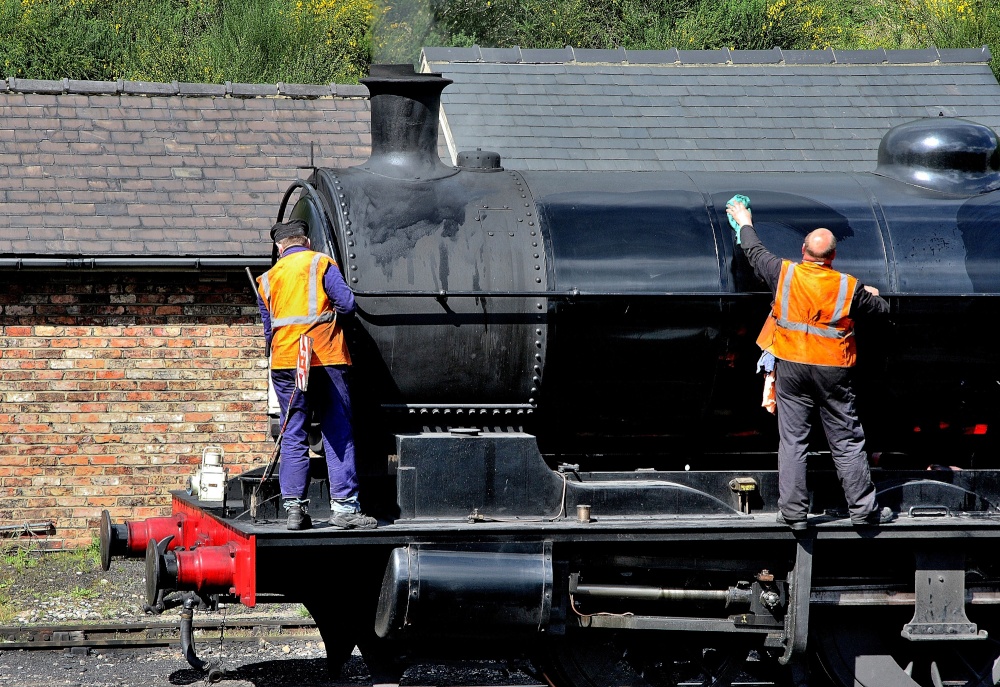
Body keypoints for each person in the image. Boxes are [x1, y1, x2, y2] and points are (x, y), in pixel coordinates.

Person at [726, 200, 894, 529]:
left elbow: (754, 251)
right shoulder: (848, 287)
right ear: (832, 256)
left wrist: (744, 220)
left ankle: (793, 513)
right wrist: (870, 294)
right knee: (846, 441)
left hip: (791, 367)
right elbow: (882, 311)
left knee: (793, 441)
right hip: (832, 371)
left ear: (803, 250)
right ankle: (862, 510)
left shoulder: (784, 273)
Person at [255, 219, 377, 531]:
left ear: (280, 247)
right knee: (336, 431)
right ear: (306, 241)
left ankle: (294, 510)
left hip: (285, 363)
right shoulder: (320, 262)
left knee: (293, 433)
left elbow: (268, 332)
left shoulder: (266, 279)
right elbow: (347, 304)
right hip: (325, 357)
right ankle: (345, 508)